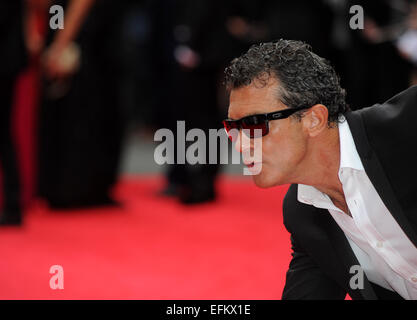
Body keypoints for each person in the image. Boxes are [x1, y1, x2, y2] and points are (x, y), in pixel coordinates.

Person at [223, 39, 417, 300]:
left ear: (314, 119)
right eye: (234, 128)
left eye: (255, 124)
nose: (241, 146)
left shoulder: (407, 126)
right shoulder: (301, 213)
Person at [0, 0, 28, 225]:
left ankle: (13, 203)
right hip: (10, 58)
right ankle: (13, 202)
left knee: (4, 133)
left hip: (6, 60)